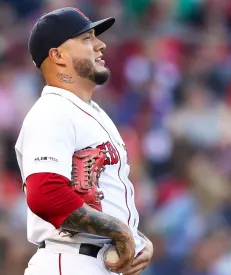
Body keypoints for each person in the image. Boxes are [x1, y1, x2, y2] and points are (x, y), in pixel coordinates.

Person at [14, 7, 153, 275]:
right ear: (57, 55)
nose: (100, 45)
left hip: (93, 262)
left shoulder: (89, 112)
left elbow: (104, 199)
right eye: (86, 38)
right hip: (70, 261)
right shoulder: (52, 110)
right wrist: (121, 232)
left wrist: (136, 239)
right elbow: (45, 194)